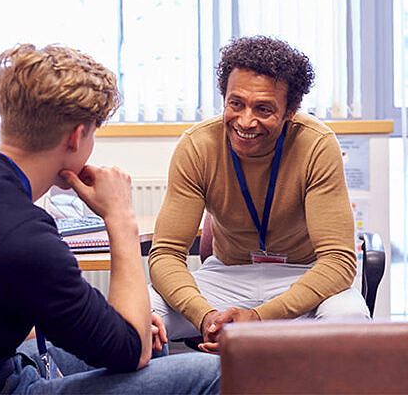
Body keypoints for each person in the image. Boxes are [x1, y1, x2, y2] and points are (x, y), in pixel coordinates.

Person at [0, 44, 219, 394]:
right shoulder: (23, 235)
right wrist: (120, 218)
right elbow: (132, 352)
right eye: (94, 133)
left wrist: (122, 328)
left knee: (149, 338)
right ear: (76, 136)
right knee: (214, 371)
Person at [148, 35, 370, 353]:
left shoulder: (317, 144)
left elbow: (338, 261)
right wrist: (206, 317)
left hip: (302, 276)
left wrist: (260, 317)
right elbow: (166, 255)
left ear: (290, 110)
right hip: (227, 277)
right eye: (235, 103)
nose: (246, 121)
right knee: (139, 313)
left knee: (350, 320)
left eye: (263, 109)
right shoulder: (197, 145)